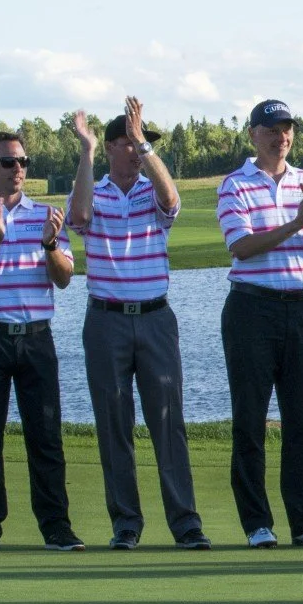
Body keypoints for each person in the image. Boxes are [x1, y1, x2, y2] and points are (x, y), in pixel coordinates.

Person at [66, 97, 207, 550]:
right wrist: (86, 151)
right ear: (111, 147)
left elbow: (170, 199)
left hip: (155, 318)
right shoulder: (91, 189)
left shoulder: (152, 188)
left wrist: (144, 142)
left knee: (168, 423)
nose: (140, 149)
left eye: (143, 142)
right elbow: (79, 218)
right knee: (114, 424)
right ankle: (126, 524)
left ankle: (185, 524)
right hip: (106, 320)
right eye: (130, 142)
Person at [216, 99, 303, 548]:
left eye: (287, 128)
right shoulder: (234, 185)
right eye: (272, 129)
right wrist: (295, 224)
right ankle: (257, 525)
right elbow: (241, 247)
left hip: (301, 308)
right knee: (250, 420)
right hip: (251, 310)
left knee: (302, 419)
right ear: (253, 134)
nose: (281, 137)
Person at [0, 132, 79, 551]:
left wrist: (49, 243)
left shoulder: (47, 215)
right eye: (9, 162)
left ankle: (56, 527)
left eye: (23, 161)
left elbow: (64, 278)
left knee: (46, 436)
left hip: (36, 338)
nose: (18, 169)